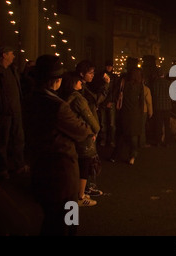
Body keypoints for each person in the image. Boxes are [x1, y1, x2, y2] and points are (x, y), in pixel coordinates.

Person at [25, 55, 93, 235]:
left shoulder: (30, 100)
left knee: (50, 220)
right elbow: (82, 130)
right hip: (61, 172)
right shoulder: (58, 107)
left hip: (40, 167)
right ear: (55, 81)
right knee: (67, 223)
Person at [59, 72, 100, 207]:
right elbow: (89, 117)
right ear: (73, 83)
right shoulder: (78, 99)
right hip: (82, 133)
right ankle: (80, 196)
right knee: (84, 163)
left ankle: (76, 192)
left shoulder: (63, 97)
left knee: (74, 164)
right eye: (78, 81)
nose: (81, 83)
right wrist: (95, 129)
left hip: (70, 135)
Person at [75, 60, 109, 196]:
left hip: (86, 127)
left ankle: (84, 188)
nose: (92, 75)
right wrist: (94, 128)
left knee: (86, 159)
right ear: (82, 74)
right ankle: (81, 192)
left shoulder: (85, 88)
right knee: (86, 159)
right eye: (90, 73)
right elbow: (96, 100)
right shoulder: (81, 91)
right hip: (86, 128)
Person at [0, 45, 27, 180]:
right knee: (2, 141)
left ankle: (18, 165)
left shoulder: (12, 70)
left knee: (18, 138)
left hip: (16, 110)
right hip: (4, 112)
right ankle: (2, 168)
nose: (13, 56)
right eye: (11, 53)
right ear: (4, 55)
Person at [112, 68, 145, 164]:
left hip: (124, 113)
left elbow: (115, 95)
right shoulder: (140, 86)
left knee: (121, 135)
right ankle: (132, 156)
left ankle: (115, 155)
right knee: (133, 137)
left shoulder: (124, 84)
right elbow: (141, 101)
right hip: (135, 114)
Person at [96, 60, 117, 148]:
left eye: (110, 66)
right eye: (108, 66)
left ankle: (111, 140)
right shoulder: (101, 76)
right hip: (102, 103)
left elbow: (115, 90)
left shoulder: (114, 77)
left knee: (111, 123)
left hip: (110, 102)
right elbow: (99, 89)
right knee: (103, 122)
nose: (109, 68)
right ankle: (103, 139)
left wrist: (111, 101)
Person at [152, 69, 172, 147]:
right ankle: (167, 142)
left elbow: (154, 95)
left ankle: (158, 141)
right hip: (167, 107)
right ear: (163, 75)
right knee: (167, 125)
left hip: (158, 107)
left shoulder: (155, 83)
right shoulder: (168, 83)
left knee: (158, 125)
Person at [140, 81, 153, 149]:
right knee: (142, 128)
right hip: (143, 110)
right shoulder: (146, 89)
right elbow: (149, 102)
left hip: (133, 111)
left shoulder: (131, 87)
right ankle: (142, 143)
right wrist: (150, 112)